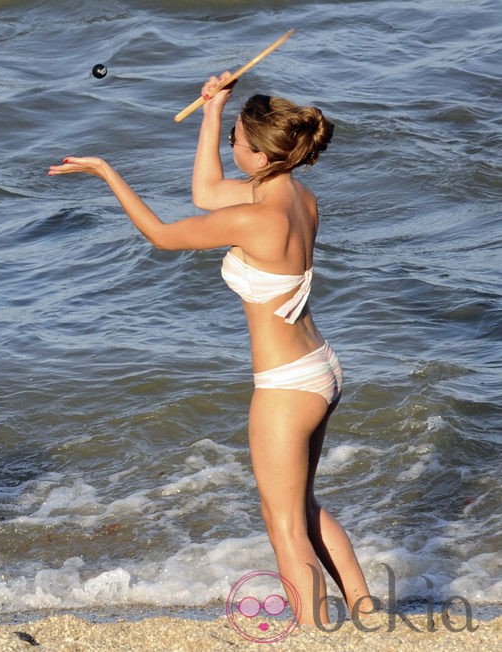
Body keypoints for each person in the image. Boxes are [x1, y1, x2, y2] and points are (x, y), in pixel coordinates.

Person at [48, 72, 375, 625]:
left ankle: (316, 633)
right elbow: (205, 192)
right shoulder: (298, 198)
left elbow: (161, 234)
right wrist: (211, 112)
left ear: (256, 154)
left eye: (234, 143)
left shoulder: (251, 217)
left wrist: (106, 171)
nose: (230, 149)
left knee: (284, 524)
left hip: (286, 388)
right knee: (304, 507)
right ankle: (368, 616)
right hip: (321, 366)